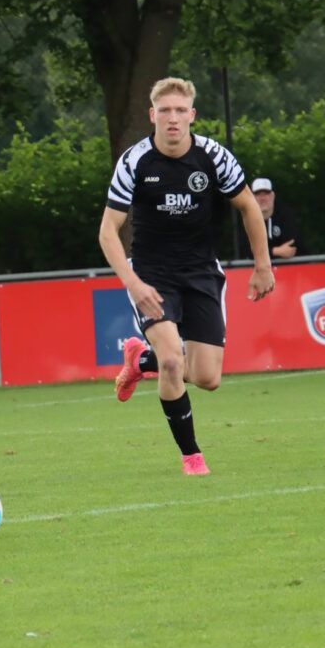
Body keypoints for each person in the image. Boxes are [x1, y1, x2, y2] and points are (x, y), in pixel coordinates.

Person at [98, 77, 275, 477]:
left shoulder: (214, 157)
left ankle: (140, 359)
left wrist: (262, 265)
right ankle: (192, 457)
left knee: (208, 378)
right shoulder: (134, 162)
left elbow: (249, 206)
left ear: (192, 115)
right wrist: (133, 282)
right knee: (172, 362)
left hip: (201, 271)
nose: (173, 118)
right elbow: (108, 230)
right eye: (165, 111)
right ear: (152, 115)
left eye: (180, 111)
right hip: (151, 275)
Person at [250, 177, 305, 259]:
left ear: (272, 196)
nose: (262, 198)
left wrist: (263, 252)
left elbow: (291, 248)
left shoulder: (286, 216)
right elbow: (247, 251)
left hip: (289, 265)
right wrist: (276, 251)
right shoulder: (247, 219)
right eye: (258, 194)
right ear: (252, 198)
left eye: (266, 194)